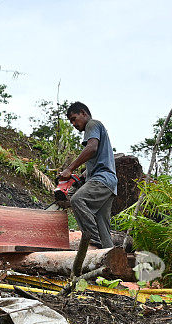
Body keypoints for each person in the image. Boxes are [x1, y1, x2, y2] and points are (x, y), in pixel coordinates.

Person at [57, 101, 118, 277]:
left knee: (78, 200)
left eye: (74, 119)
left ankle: (92, 242)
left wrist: (70, 168)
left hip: (102, 179)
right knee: (102, 224)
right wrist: (82, 176)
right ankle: (110, 267)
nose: (74, 124)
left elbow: (92, 148)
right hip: (108, 183)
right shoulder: (98, 130)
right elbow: (97, 158)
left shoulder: (93, 124)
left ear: (83, 113)